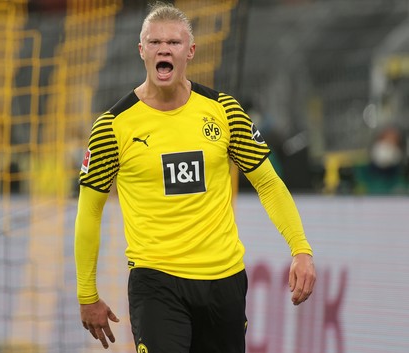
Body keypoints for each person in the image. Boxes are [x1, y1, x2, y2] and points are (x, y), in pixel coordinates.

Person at [74, 2, 316, 352]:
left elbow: (268, 182)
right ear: (141, 51)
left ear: (190, 51)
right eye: (155, 42)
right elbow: (89, 211)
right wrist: (86, 293)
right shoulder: (112, 127)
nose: (164, 49)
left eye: (173, 42)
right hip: (155, 281)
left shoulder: (224, 111)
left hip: (224, 281)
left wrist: (301, 249)